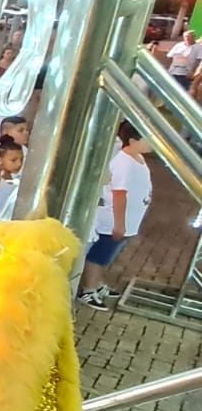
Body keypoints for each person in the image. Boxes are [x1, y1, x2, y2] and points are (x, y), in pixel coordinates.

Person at [81, 121, 153, 309]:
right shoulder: (124, 163)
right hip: (114, 219)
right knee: (100, 254)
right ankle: (88, 289)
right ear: (132, 140)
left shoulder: (137, 157)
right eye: (147, 138)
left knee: (108, 254)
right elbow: (119, 194)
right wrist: (119, 224)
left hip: (130, 218)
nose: (152, 141)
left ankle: (97, 283)